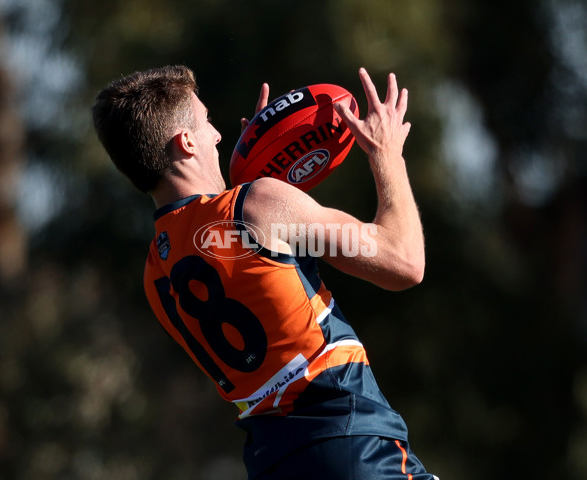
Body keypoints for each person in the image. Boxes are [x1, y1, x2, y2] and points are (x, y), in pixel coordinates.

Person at [92, 64, 438, 480]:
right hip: (351, 443)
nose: (219, 135)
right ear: (185, 142)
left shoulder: (155, 272)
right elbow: (404, 261)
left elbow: (241, 252)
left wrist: (255, 178)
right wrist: (387, 154)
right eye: (207, 123)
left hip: (274, 463)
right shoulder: (257, 205)